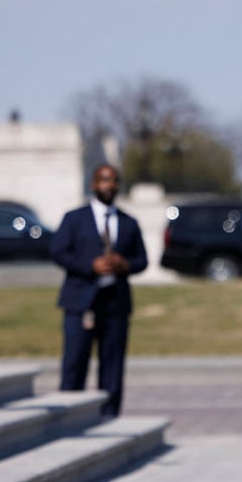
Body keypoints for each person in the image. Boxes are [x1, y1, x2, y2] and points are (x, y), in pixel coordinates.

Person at [50, 164, 148, 418]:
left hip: (115, 304)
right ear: (93, 184)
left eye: (114, 181)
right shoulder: (74, 218)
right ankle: (69, 417)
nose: (109, 185)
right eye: (104, 180)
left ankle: (109, 417)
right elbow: (58, 251)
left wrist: (124, 265)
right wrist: (89, 265)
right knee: (74, 364)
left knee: (113, 367)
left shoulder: (128, 223)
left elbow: (142, 260)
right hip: (80, 302)